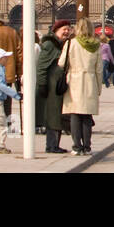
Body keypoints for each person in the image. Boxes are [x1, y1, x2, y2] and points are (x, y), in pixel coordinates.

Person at [58, 18, 103, 156]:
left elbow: (61, 63)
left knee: (75, 115)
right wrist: (98, 87)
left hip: (74, 81)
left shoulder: (71, 43)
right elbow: (99, 69)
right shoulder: (96, 45)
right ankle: (87, 146)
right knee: (87, 116)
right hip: (90, 80)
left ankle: (77, 146)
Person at [36, 20, 71, 154]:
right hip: (51, 86)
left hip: (58, 84)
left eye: (68, 29)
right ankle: (51, 145)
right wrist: (42, 84)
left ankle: (55, 144)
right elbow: (42, 66)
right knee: (53, 116)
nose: (66, 32)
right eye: (64, 29)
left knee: (58, 115)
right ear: (56, 31)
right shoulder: (50, 45)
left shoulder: (63, 44)